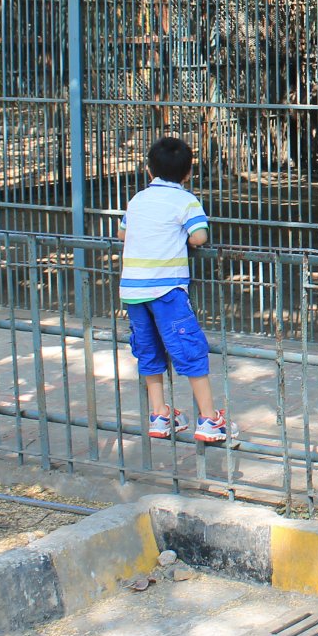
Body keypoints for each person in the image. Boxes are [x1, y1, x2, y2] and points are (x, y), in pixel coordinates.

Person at [117, 136, 235, 444]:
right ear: (188, 174)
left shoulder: (138, 199)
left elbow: (122, 231)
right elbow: (199, 237)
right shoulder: (186, 200)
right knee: (190, 349)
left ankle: (159, 414)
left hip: (133, 290)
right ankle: (209, 419)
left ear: (148, 170)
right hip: (166, 288)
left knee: (147, 349)